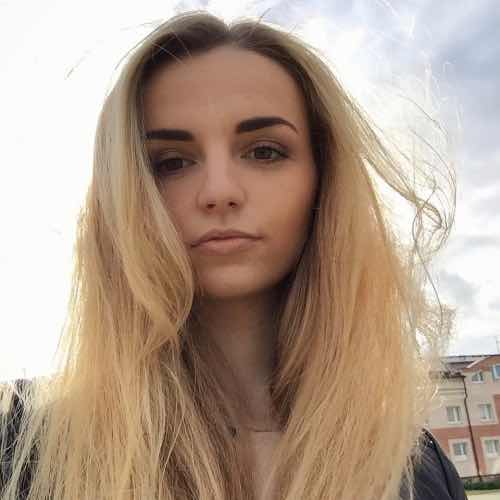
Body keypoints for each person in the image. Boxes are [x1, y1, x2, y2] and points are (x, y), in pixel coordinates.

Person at [0, 10, 466, 500]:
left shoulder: (415, 470)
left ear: (323, 179)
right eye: (171, 162)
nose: (219, 191)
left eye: (264, 151)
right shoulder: (34, 456)